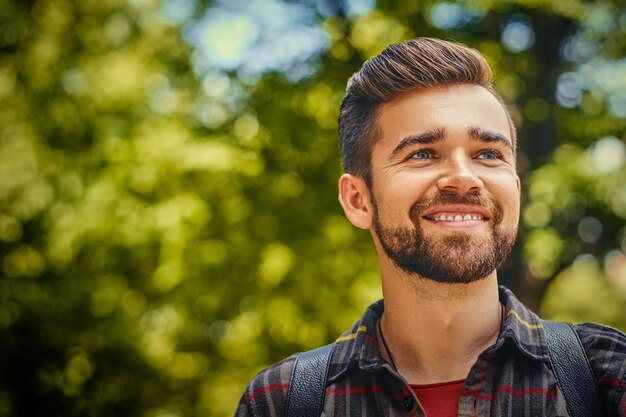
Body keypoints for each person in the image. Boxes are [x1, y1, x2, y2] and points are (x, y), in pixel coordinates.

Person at [235, 37, 626, 416]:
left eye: (489, 154)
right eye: (422, 153)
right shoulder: (282, 402)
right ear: (358, 200)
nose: (463, 177)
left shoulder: (609, 376)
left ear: (517, 191)